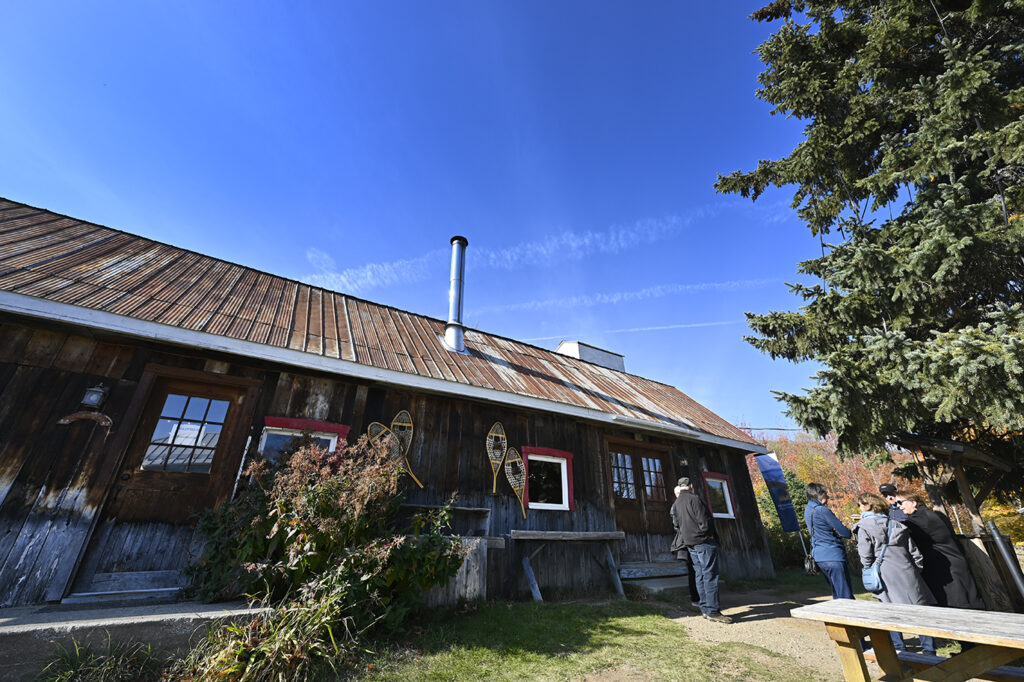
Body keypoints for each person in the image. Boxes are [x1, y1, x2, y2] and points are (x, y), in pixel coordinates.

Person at [853, 493, 936, 655]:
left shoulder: (864, 527)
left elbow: (865, 556)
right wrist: (915, 570)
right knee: (920, 611)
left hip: (885, 574)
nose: (859, 508)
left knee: (889, 612)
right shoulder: (896, 524)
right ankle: (929, 650)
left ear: (868, 506)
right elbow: (915, 553)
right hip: (908, 571)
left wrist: (869, 570)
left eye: (860, 505)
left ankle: (900, 650)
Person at [898, 493, 985, 610]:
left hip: (949, 567)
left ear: (913, 503)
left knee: (962, 605)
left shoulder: (924, 517)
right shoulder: (920, 516)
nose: (899, 506)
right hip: (944, 566)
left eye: (900, 502)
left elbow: (903, 528)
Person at [670, 477, 732, 623]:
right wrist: (709, 535)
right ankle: (713, 611)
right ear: (691, 486)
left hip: (689, 543)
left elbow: (676, 524)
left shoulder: (676, 503)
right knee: (710, 574)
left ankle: (704, 608)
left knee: (700, 575)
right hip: (703, 542)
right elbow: (705, 521)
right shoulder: (695, 499)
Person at [804, 482, 854, 599]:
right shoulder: (822, 510)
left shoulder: (808, 509)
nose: (828, 496)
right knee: (845, 596)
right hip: (833, 555)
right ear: (820, 495)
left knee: (837, 594)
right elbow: (845, 533)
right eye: (826, 493)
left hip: (819, 557)